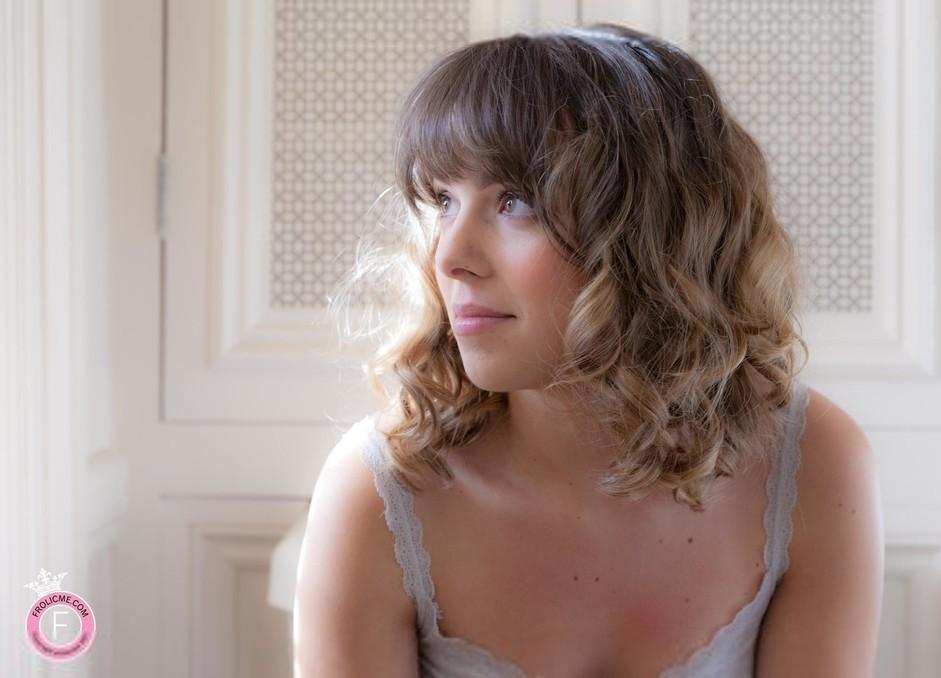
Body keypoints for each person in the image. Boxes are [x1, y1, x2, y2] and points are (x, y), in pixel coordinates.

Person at [294, 22, 883, 678]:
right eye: (443, 201)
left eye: (515, 201)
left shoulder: (809, 464)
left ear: (651, 233)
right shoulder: (381, 493)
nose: (451, 256)